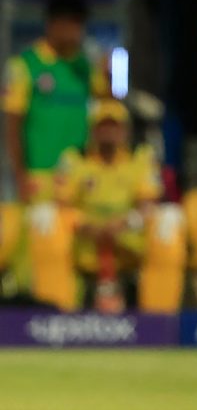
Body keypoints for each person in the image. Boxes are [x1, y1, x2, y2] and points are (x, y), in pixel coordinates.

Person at [55, 100, 161, 311]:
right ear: (93, 130)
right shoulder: (74, 158)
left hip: (128, 239)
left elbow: (149, 203)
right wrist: (86, 225)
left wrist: (125, 223)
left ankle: (159, 315)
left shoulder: (141, 157)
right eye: (103, 126)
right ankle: (56, 310)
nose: (109, 133)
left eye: (115, 126)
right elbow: (61, 204)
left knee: (168, 220)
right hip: (85, 237)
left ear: (126, 130)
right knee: (45, 219)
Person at [3, 0, 106, 205]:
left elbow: (110, 109)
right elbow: (12, 125)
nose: (76, 32)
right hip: (40, 176)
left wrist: (108, 73)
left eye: (80, 25)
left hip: (80, 176)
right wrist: (20, 176)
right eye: (72, 24)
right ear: (53, 24)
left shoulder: (84, 66)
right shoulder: (25, 65)